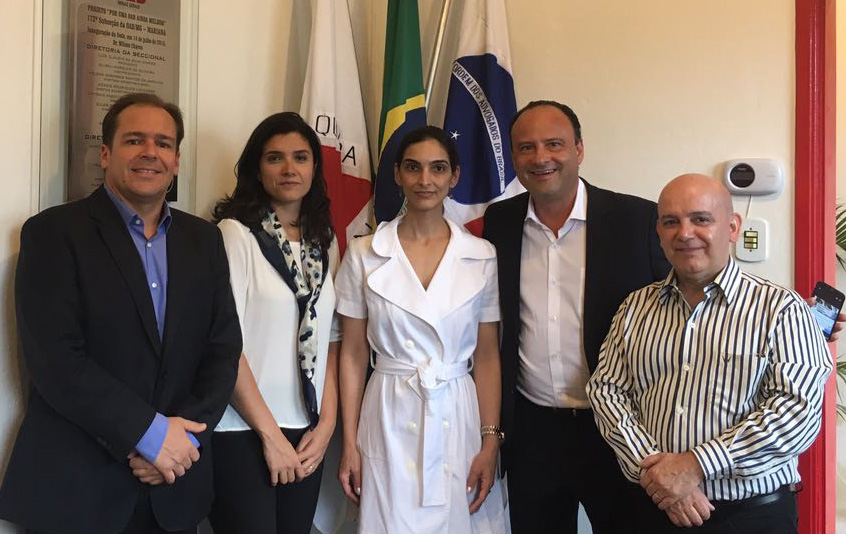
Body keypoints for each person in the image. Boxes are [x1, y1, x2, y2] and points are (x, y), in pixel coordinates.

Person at [0, 93, 242, 534]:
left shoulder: (204, 241)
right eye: (134, 140)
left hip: (173, 487)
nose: (150, 152)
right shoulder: (52, 233)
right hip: (78, 490)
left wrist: (182, 441)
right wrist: (150, 436)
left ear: (176, 161)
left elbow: (223, 351)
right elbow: (55, 360)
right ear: (106, 155)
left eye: (163, 143)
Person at [586, 173, 833, 533]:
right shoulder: (635, 307)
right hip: (652, 513)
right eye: (671, 222)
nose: (685, 233)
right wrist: (657, 471)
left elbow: (797, 413)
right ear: (659, 232)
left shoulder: (781, 309)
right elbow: (606, 391)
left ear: (732, 227)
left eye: (701, 219)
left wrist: (696, 464)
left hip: (751, 518)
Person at [482, 100, 670, 533]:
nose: (541, 158)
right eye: (526, 147)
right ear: (513, 157)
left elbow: (682, 303)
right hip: (531, 431)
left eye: (554, 144)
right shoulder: (500, 222)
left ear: (580, 149)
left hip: (618, 429)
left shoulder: (637, 219)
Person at [336, 126, 509, 533]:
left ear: (454, 176)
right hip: (388, 410)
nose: (425, 180)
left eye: (438, 168)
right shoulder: (364, 253)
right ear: (397, 174)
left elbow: (486, 356)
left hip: (457, 411)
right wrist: (349, 443)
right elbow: (353, 353)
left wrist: (490, 441)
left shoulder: (481, 256)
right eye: (413, 168)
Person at [207, 112, 340, 534]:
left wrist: (327, 425)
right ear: (256, 168)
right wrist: (270, 436)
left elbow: (329, 341)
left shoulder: (325, 241)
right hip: (242, 429)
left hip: (306, 429)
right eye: (274, 158)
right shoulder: (235, 235)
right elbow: (224, 345)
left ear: (314, 168)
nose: (289, 169)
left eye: (300, 157)